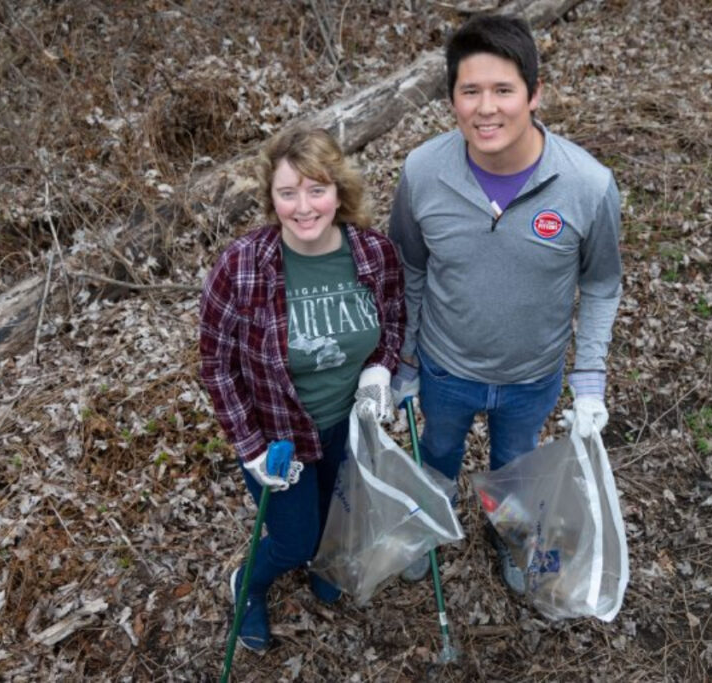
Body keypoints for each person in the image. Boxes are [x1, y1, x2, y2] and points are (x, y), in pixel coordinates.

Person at [388, 14, 622, 593]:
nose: (486, 108)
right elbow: (409, 268)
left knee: (515, 468)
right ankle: (429, 528)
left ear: (534, 94)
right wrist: (404, 358)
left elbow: (600, 282)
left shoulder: (587, 186)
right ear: (452, 99)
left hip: (531, 377)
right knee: (437, 453)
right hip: (445, 369)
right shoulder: (422, 173)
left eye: (503, 90)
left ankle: (512, 539)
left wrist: (589, 376)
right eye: (470, 91)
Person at [200, 126, 405, 651]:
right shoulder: (243, 265)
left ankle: (325, 559)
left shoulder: (374, 254)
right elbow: (216, 365)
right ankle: (248, 583)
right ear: (271, 198)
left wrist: (380, 370)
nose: (303, 206)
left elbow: (394, 320)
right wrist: (249, 449)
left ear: (339, 191)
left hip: (348, 424)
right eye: (287, 192)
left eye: (316, 189)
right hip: (279, 435)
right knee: (294, 540)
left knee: (338, 514)